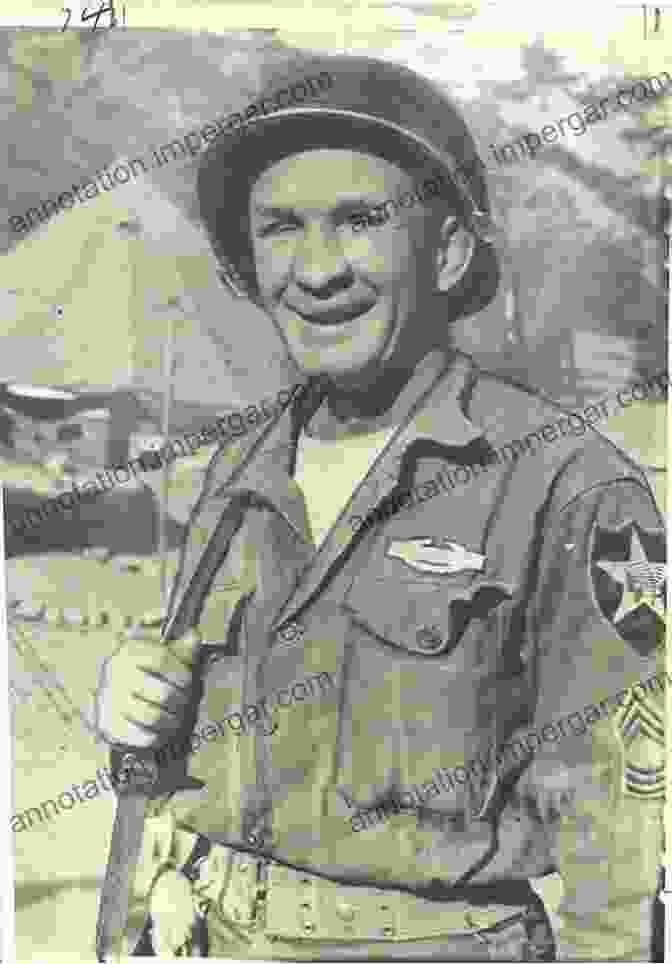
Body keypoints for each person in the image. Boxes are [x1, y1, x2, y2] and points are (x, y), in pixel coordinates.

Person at [95, 54, 665, 961]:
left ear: (446, 251)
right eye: (280, 229)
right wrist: (138, 725)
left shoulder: (569, 485)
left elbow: (625, 856)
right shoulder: (242, 472)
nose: (316, 271)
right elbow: (179, 781)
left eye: (359, 221)